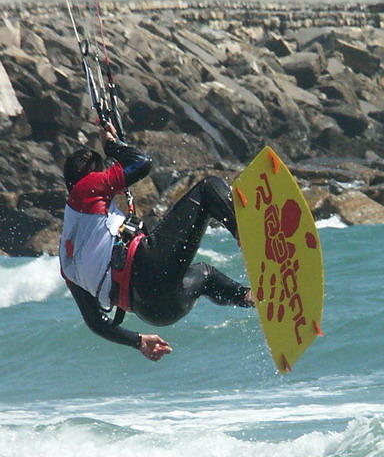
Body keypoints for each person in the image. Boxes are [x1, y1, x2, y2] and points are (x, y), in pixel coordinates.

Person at [59, 123, 253, 361]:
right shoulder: (85, 188)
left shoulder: (67, 259)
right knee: (208, 188)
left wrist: (139, 341)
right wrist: (112, 145)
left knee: (205, 275)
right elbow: (141, 163)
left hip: (155, 311)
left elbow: (96, 323)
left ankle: (250, 297)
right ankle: (250, 238)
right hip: (146, 267)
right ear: (91, 177)